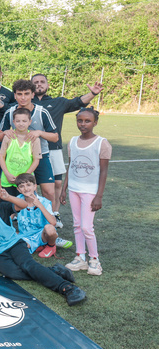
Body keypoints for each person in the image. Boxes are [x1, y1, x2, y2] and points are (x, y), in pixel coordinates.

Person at [0, 183, 86, 307]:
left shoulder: (0, 207)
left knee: (28, 265)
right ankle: (53, 271)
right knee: (12, 273)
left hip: (14, 244)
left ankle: (67, 288)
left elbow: (23, 205)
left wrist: (8, 197)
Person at [32, 73, 103, 224]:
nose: (39, 84)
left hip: (53, 148)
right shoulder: (25, 101)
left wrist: (93, 93)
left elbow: (77, 102)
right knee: (31, 183)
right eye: (35, 82)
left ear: (47, 84)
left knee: (57, 183)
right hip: (30, 149)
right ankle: (35, 212)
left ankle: (55, 213)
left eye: (42, 81)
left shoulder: (58, 102)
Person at [61, 108, 111, 276]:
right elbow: (71, 166)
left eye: (87, 121)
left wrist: (99, 196)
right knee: (77, 225)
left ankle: (95, 260)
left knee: (86, 227)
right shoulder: (73, 141)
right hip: (74, 189)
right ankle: (80, 257)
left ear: (95, 122)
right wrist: (64, 189)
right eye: (79, 120)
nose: (83, 124)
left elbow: (103, 172)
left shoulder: (101, 143)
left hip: (90, 192)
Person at [0, 79, 59, 204]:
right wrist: (5, 132)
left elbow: (55, 137)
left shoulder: (42, 112)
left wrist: (39, 133)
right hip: (18, 157)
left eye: (26, 94)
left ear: (32, 95)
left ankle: (51, 214)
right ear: (15, 95)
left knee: (49, 192)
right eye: (19, 94)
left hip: (40, 156)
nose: (23, 97)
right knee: (7, 191)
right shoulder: (10, 112)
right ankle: (13, 212)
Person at [14, 173, 61, 258]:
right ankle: (38, 246)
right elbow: (8, 216)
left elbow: (53, 222)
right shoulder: (18, 200)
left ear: (35, 186)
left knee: (49, 228)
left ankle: (51, 246)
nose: (26, 188)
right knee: (15, 246)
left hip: (41, 235)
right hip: (25, 235)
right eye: (22, 186)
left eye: (28, 185)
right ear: (18, 189)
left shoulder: (44, 202)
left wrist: (39, 205)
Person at [0, 107, 41, 194]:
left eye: (24, 121)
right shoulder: (8, 137)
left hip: (26, 183)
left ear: (30, 122)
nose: (21, 124)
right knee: (6, 201)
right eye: (18, 121)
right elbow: (1, 156)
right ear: (13, 122)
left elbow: (36, 160)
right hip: (8, 180)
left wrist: (23, 178)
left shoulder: (34, 139)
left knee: (26, 202)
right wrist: (7, 174)